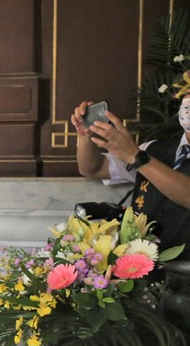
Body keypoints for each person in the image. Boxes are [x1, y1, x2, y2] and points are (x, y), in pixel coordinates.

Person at [72, 89, 190, 259]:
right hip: (140, 267)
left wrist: (136, 157)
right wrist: (87, 135)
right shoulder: (152, 149)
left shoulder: (140, 155)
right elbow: (93, 168)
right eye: (188, 92)